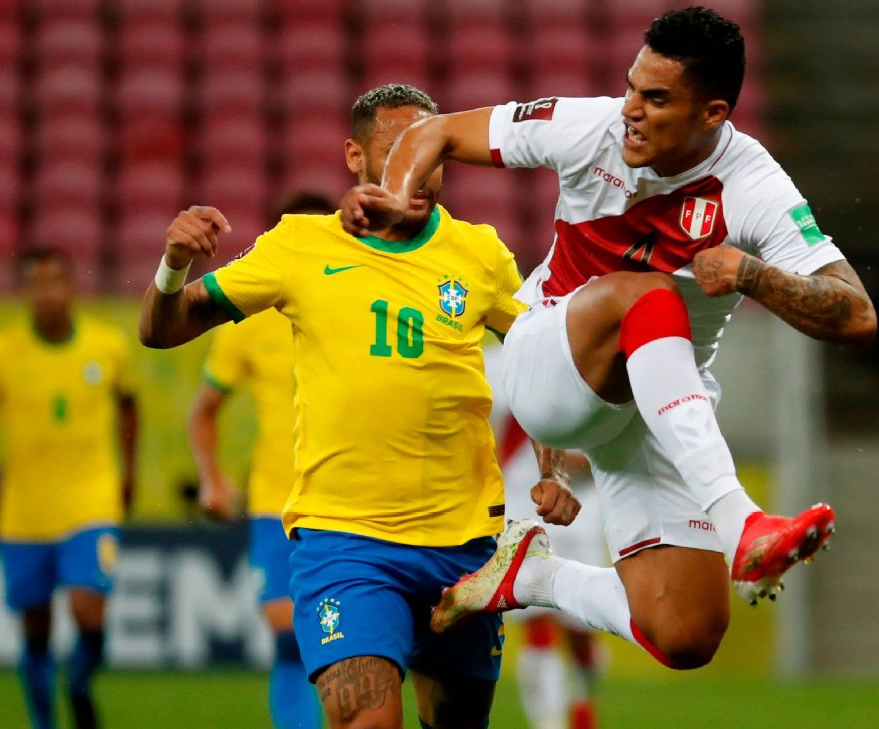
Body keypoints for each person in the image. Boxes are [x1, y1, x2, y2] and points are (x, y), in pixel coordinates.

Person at [340, 7, 877, 669]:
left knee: (685, 632)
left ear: (712, 114)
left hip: (653, 407)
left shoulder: (753, 185)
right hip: (549, 362)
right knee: (645, 292)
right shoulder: (586, 127)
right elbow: (435, 132)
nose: (630, 110)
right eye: (630, 87)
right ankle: (743, 522)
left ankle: (534, 576)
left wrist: (755, 274)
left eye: (656, 99)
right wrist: (396, 194)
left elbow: (856, 314)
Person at [139, 83, 579, 729]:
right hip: (347, 542)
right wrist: (173, 264)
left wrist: (553, 470)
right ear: (354, 156)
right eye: (399, 150)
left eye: (433, 150)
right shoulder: (300, 247)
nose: (418, 169)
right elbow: (162, 328)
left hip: (463, 544)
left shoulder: (480, 252)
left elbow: (539, 367)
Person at [187, 191, 337, 729]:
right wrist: (213, 479)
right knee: (287, 631)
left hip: (348, 502)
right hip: (276, 500)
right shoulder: (250, 317)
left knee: (346, 642)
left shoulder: (365, 308)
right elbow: (203, 411)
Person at [0, 248, 139, 729]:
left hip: (91, 500)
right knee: (36, 630)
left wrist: (127, 473)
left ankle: (80, 683)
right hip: (24, 510)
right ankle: (44, 721)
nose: (47, 294)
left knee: (89, 610)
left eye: (55, 282)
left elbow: (129, 405)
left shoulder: (106, 346)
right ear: (24, 293)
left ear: (72, 288)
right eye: (36, 284)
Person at [486, 345, 606, 729]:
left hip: (580, 510)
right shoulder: (491, 361)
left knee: (582, 627)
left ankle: (585, 700)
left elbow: (604, 444)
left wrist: (576, 465)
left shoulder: (583, 352)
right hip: (520, 505)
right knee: (536, 619)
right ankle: (549, 722)